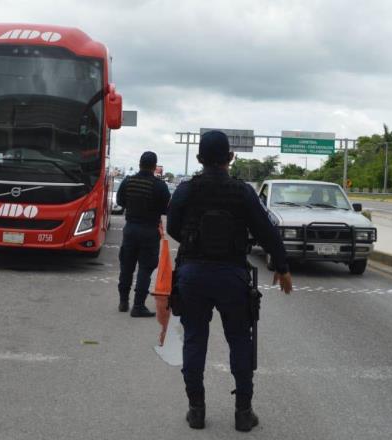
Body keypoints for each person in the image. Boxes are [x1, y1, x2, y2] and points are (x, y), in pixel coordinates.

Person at [167, 130, 292, 432]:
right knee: (239, 340)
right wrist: (283, 267)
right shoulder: (242, 192)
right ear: (231, 158)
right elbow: (266, 230)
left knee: (195, 339)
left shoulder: (186, 189)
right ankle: (243, 413)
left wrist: (193, 245)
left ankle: (196, 409)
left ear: (198, 159)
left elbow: (172, 226)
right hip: (232, 276)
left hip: (193, 275)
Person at [116, 151, 171, 317]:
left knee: (126, 266)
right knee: (145, 269)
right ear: (155, 167)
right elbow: (166, 208)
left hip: (130, 229)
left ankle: (123, 302)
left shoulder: (127, 182)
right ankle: (138, 306)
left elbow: (120, 202)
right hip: (149, 231)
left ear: (139, 164)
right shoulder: (159, 186)